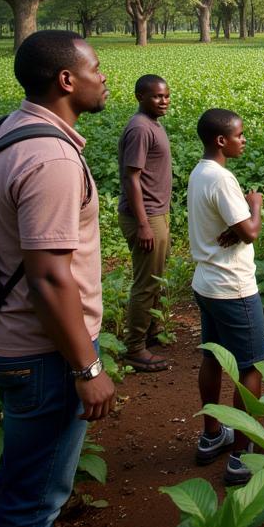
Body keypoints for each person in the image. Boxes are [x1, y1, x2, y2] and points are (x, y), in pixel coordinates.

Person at [0, 30, 114, 527]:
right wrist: (87, 369)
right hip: (45, 354)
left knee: (21, 484)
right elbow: (50, 277)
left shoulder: (7, 130)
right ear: (65, 80)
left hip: (7, 335)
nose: (103, 78)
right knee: (35, 502)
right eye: (95, 68)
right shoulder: (52, 160)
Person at [187, 108, 264, 486]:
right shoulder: (222, 179)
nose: (243, 139)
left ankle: (212, 433)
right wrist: (255, 204)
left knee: (213, 357)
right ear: (222, 141)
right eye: (239, 134)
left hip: (206, 283)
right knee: (250, 367)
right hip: (233, 287)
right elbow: (250, 231)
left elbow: (224, 227)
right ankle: (241, 455)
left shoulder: (199, 172)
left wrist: (234, 229)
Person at [118, 74, 173, 372]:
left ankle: (150, 332)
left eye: (166, 96)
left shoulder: (153, 124)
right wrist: (143, 224)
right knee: (146, 282)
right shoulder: (140, 128)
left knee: (157, 277)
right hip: (145, 215)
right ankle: (135, 348)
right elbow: (131, 176)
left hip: (156, 213)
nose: (163, 101)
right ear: (140, 97)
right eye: (156, 96)